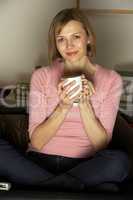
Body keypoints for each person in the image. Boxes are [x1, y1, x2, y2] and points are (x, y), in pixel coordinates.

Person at [0, 8, 130, 191]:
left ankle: (43, 188)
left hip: (86, 165)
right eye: (61, 39)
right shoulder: (41, 76)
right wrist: (63, 106)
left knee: (119, 161)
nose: (69, 45)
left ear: (89, 37)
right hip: (39, 162)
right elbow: (37, 142)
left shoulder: (111, 79)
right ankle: (74, 188)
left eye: (76, 36)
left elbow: (101, 144)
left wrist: (84, 103)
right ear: (56, 43)